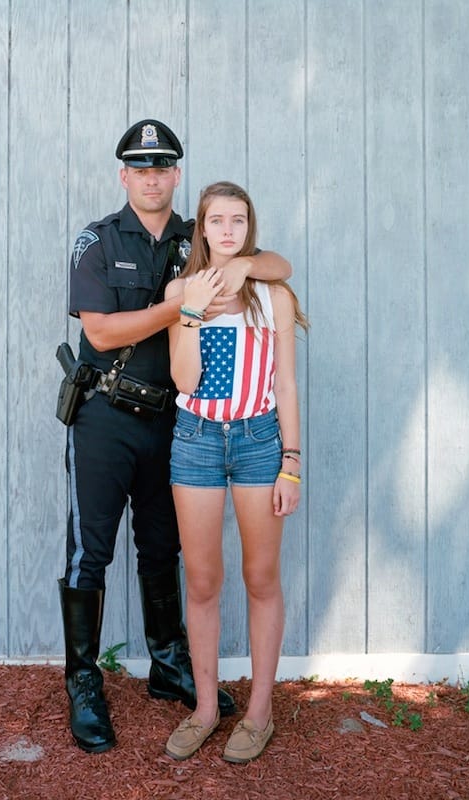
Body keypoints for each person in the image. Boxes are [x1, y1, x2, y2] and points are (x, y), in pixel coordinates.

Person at [59, 121, 292, 754]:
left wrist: (241, 267)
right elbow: (103, 333)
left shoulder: (198, 235)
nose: (153, 176)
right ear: (124, 175)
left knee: (164, 549)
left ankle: (169, 666)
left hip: (175, 421)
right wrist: (182, 302)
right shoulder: (98, 240)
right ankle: (83, 682)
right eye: (141, 167)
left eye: (164, 166)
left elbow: (275, 265)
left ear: (177, 175)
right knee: (91, 551)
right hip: (106, 416)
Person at [163, 181, 308, 764]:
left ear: (249, 229)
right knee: (201, 581)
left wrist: (290, 464)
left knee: (260, 576)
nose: (227, 229)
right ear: (200, 228)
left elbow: (285, 383)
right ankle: (204, 708)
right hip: (196, 440)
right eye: (216, 220)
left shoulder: (272, 292)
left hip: (257, 441)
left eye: (238, 220)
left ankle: (259, 712)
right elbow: (185, 381)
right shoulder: (181, 289)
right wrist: (192, 313)